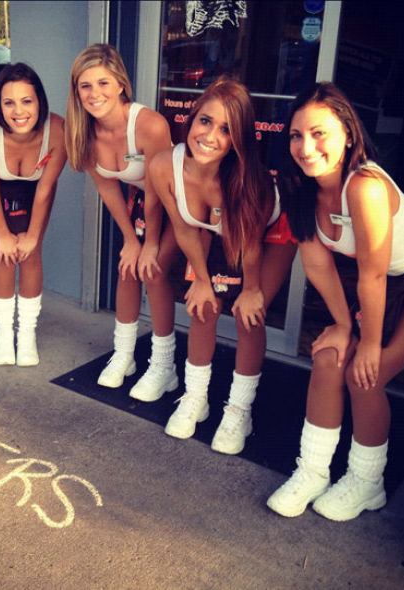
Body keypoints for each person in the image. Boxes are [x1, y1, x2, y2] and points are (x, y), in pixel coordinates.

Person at [266, 82, 404, 521]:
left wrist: (370, 343)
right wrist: (343, 326)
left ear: (348, 132)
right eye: (297, 136)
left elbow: (373, 274)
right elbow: (319, 268)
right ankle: (313, 472)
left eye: (319, 133)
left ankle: (367, 483)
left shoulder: (365, 186)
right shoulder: (300, 189)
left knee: (368, 373)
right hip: (391, 285)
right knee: (328, 356)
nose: (306, 147)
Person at [149, 78, 296, 452]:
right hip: (212, 227)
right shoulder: (165, 165)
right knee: (202, 306)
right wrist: (201, 279)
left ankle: (238, 411)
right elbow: (184, 226)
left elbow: (248, 246)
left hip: (268, 235)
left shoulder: (252, 182)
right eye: (205, 121)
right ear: (192, 118)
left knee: (249, 315)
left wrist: (249, 290)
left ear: (239, 140)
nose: (211, 136)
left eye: (226, 129)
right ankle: (195, 398)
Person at [65, 44, 180, 402]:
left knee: (154, 269)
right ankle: (125, 355)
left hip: (180, 202)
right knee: (128, 267)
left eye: (103, 83)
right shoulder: (82, 128)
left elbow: (161, 192)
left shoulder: (148, 124)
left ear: (120, 85)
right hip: (143, 201)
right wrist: (131, 239)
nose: (94, 94)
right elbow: (107, 186)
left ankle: (165, 368)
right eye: (85, 86)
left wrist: (150, 244)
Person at [0, 62, 67, 366]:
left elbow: (46, 188)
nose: (18, 111)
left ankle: (26, 333)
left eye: (27, 101)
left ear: (39, 101)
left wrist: (33, 235)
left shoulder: (58, 129)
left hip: (37, 190)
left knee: (30, 253)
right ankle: (3, 331)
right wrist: (2, 234)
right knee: (5, 253)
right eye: (8, 102)